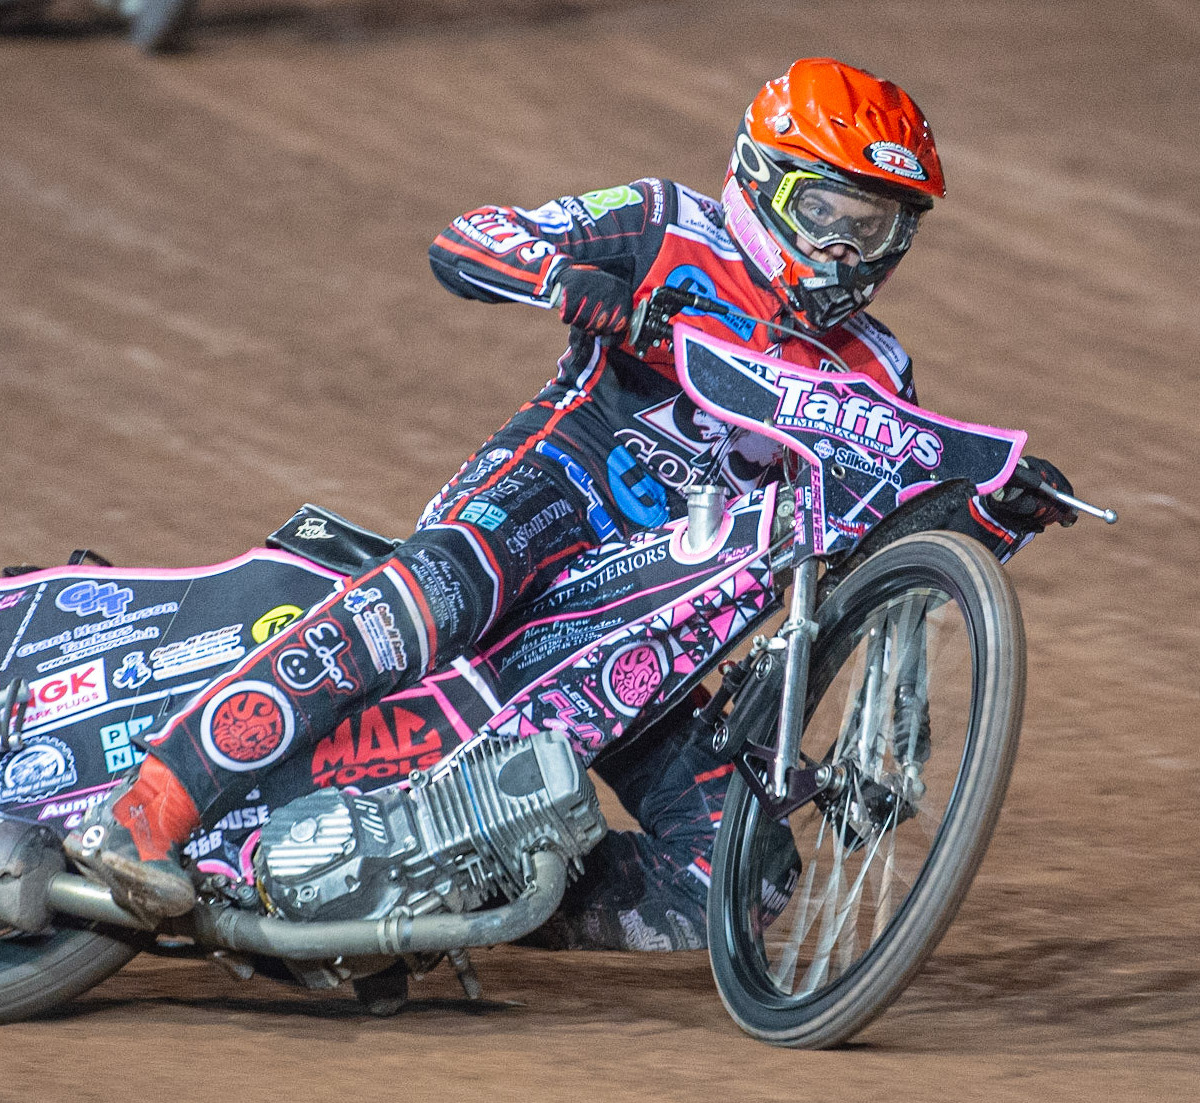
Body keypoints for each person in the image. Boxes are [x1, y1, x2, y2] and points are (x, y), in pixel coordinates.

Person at [64, 57, 1076, 930]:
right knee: (432, 596)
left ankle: (447, 897)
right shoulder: (665, 222)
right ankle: (145, 812)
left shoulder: (877, 369)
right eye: (830, 214)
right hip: (543, 500)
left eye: (880, 224)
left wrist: (987, 510)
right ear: (762, 181)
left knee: (740, 888)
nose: (851, 251)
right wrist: (562, 277)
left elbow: (873, 539)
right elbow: (467, 239)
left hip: (658, 619)